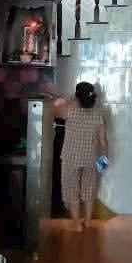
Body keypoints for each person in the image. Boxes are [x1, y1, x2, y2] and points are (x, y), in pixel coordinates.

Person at [54, 81, 108, 232]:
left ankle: (77, 225)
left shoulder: (69, 112)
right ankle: (88, 221)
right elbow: (103, 142)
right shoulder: (98, 116)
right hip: (91, 159)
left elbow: (55, 108)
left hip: (71, 159)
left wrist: (71, 97)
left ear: (78, 97)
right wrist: (103, 163)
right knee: (89, 191)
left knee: (72, 192)